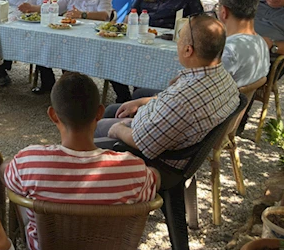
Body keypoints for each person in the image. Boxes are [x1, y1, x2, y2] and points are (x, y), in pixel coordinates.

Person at [2, 72, 158, 250]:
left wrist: (9, 165)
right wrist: (152, 172)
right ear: (99, 113)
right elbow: (154, 182)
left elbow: (7, 176)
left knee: (22, 199)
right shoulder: (132, 168)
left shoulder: (28, 162)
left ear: (52, 115)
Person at [96, 15, 239, 172]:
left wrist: (118, 129)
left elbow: (142, 143)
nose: (177, 42)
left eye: (180, 37)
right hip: (165, 132)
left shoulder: (182, 101)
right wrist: (142, 101)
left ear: (188, 50)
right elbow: (173, 104)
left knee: (90, 131)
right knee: (112, 110)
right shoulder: (222, 76)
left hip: (158, 161)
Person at [111, 0, 204, 102]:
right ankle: (124, 97)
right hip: (141, 43)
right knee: (113, 58)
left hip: (168, 48)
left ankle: (145, 98)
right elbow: (129, 17)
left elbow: (199, 26)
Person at [218, 0, 270, 87]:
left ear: (224, 12)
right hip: (244, 97)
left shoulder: (229, 51)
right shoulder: (261, 42)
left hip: (228, 97)